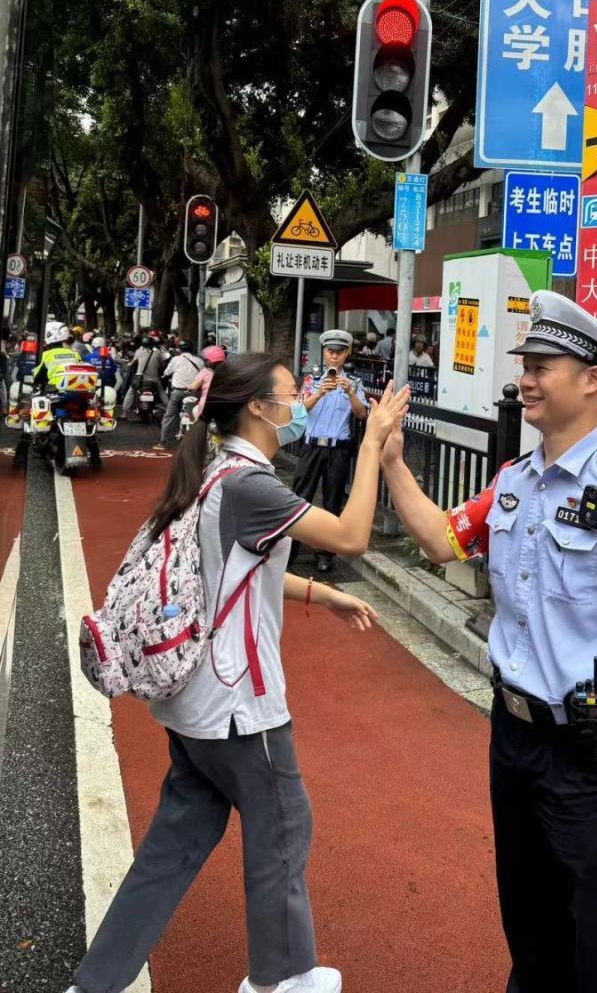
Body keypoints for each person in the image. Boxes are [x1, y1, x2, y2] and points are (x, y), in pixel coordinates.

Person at [64, 354, 410, 993]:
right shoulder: (251, 485)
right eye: (289, 394)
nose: (299, 402)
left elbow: (233, 570)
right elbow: (353, 535)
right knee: (282, 834)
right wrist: (372, 446)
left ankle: (95, 983)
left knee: (171, 852)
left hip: (193, 703)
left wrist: (320, 595)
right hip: (236, 704)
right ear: (257, 407)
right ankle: (282, 980)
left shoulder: (214, 473)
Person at [380, 290, 597, 993]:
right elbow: (439, 541)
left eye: (543, 364)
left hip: (591, 750)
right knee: (528, 919)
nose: (525, 376)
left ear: (591, 380)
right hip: (514, 738)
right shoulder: (513, 483)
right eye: (525, 362)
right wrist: (394, 464)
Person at [290, 330, 368, 578]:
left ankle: (325, 555)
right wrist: (320, 392)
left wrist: (350, 393)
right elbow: (299, 410)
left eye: (339, 352)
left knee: (333, 502)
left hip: (338, 449)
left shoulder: (354, 382)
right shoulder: (311, 380)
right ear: (324, 352)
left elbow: (361, 414)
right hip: (312, 446)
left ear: (346, 354)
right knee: (300, 498)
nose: (334, 357)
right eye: (330, 352)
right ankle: (289, 551)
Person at [158, 339, 205, 449]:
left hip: (178, 392)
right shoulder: (199, 361)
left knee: (169, 415)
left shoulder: (176, 359)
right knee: (195, 416)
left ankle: (163, 442)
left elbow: (167, 372)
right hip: (193, 392)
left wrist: (165, 374)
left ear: (179, 349)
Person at [119, 335, 168, 418]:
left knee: (131, 392)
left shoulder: (139, 352)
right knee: (161, 391)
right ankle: (169, 409)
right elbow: (163, 364)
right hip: (154, 379)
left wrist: (129, 364)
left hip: (140, 379)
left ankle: (124, 413)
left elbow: (132, 363)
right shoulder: (157, 352)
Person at [189, 345, 227, 423]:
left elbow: (193, 387)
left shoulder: (205, 372)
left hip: (206, 408)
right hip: (223, 408)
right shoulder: (227, 373)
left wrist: (189, 387)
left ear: (208, 361)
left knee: (193, 413)